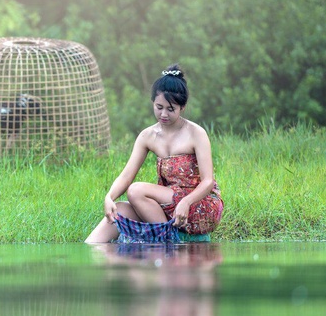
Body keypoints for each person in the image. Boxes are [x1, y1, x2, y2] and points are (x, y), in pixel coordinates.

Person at [85, 63, 223, 243]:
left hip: (198, 205)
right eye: (159, 107)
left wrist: (186, 202)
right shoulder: (147, 136)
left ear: (183, 107)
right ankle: (90, 254)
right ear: (153, 103)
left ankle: (168, 240)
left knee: (135, 190)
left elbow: (208, 181)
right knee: (117, 211)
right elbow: (127, 175)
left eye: (170, 109)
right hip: (166, 205)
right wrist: (108, 197)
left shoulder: (196, 133)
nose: (163, 114)